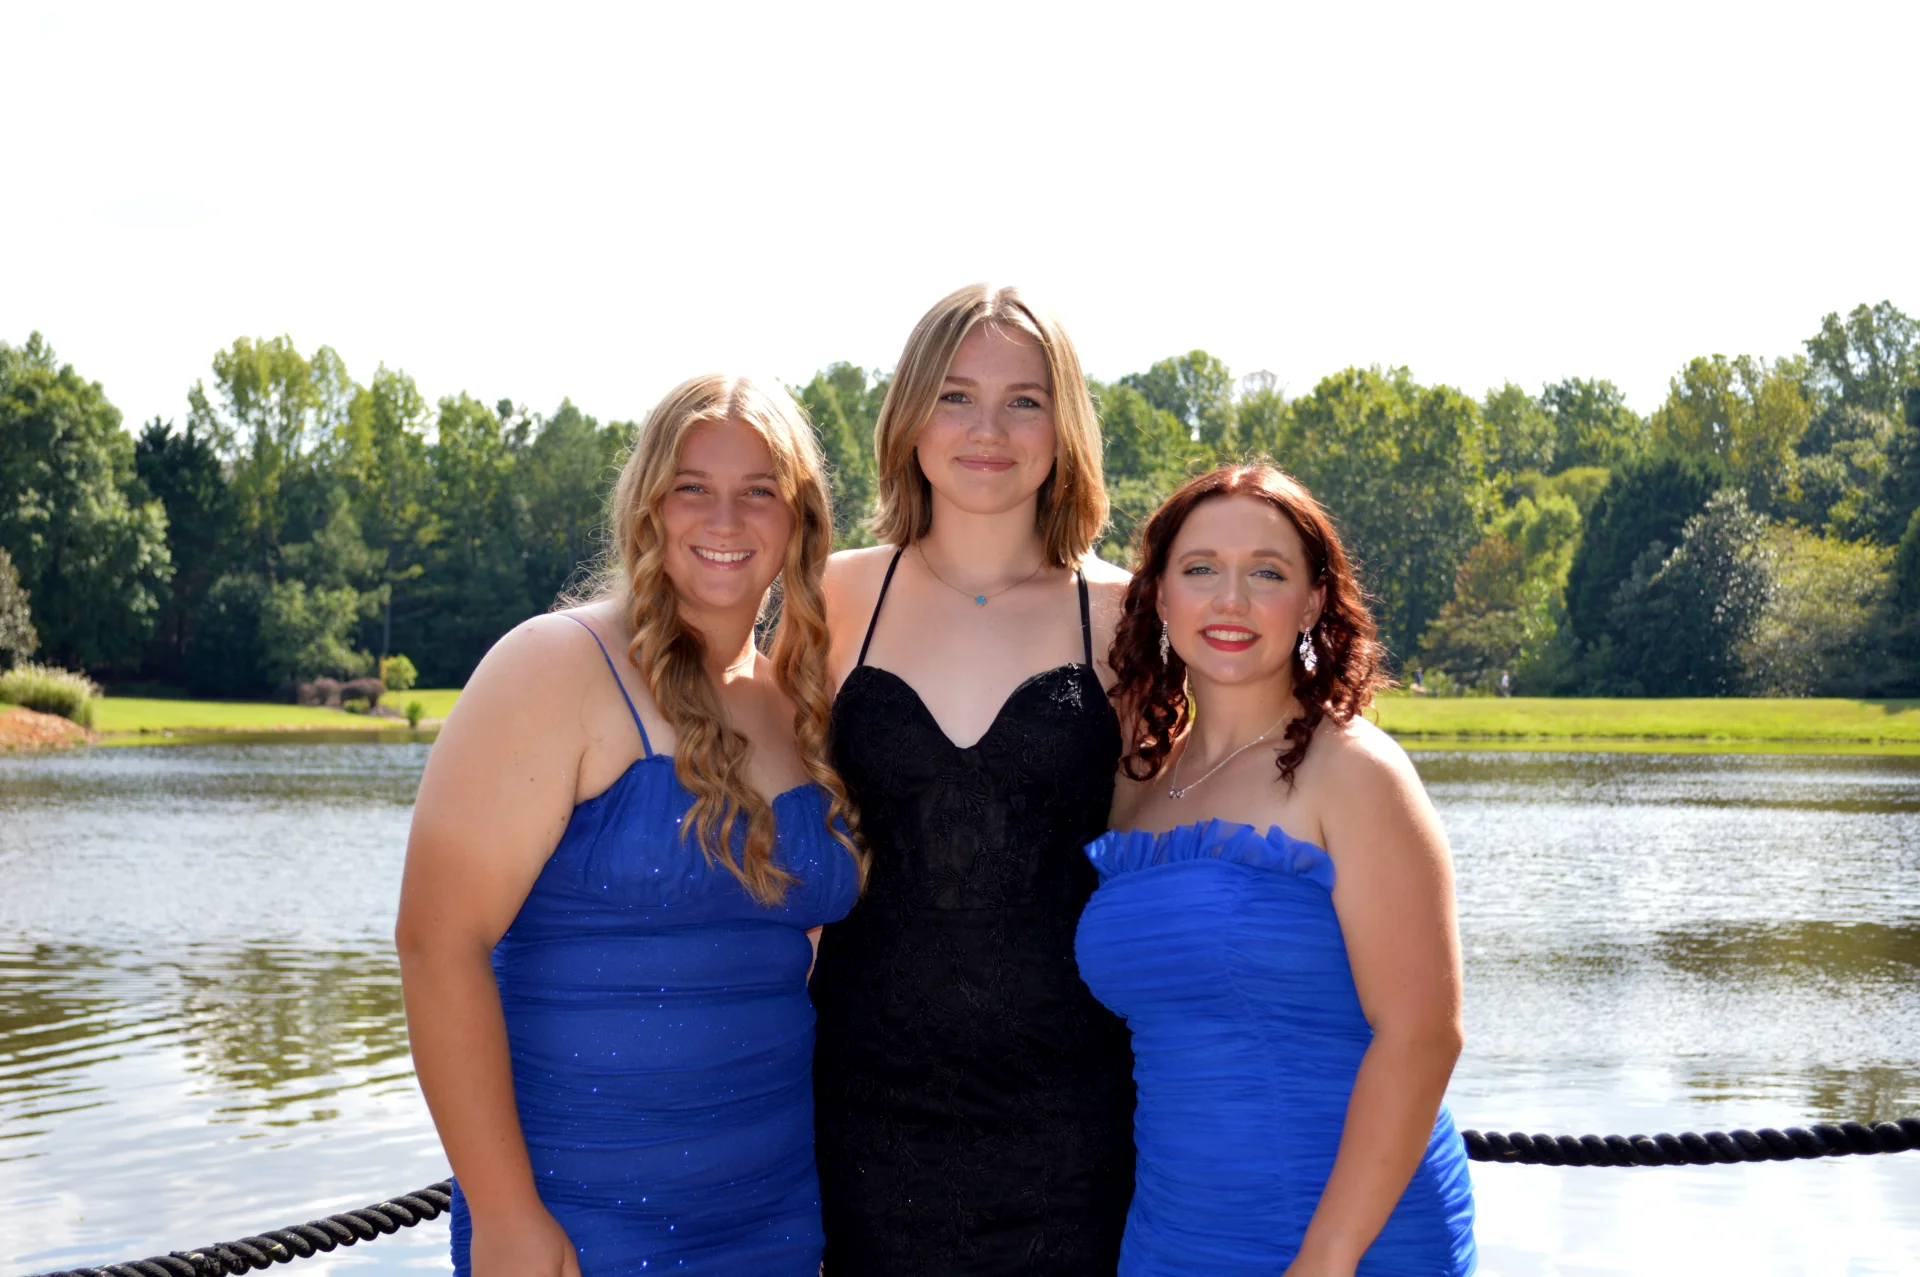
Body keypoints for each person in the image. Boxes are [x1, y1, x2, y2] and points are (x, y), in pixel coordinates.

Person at [395, 375, 865, 1277]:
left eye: (758, 491)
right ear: (648, 503)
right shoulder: (554, 666)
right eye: (694, 486)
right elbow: (436, 943)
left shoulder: (801, 705)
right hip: (580, 1222)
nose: (724, 518)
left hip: (779, 1214)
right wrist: (506, 1215)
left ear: (798, 519)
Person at [1076, 463, 1476, 1276]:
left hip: (1347, 1237)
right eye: (1200, 569)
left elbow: (1422, 1035)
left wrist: (1327, 1256)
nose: (1231, 600)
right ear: (1159, 595)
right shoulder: (1136, 782)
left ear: (1314, 602)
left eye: (1267, 573)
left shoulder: (1355, 771)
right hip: (1171, 1235)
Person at [811, 284, 1136, 1274]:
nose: (987, 429)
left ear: (1063, 426)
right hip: (863, 1109)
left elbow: (1176, 832)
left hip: (1073, 1115)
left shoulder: (1124, 614)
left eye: (1023, 400)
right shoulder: (837, 593)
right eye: (955, 395)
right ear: (910, 416)